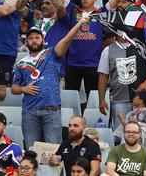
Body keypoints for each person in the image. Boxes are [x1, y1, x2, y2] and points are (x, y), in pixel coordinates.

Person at [12, 16, 90, 150]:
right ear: (26, 41)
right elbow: (13, 88)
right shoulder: (21, 62)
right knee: (32, 152)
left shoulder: (52, 54)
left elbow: (66, 39)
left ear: (43, 39)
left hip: (51, 110)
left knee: (53, 152)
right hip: (29, 112)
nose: (34, 40)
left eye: (37, 37)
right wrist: (24, 89)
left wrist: (80, 23)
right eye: (31, 38)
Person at [98, 26, 146, 128]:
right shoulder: (107, 50)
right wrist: (101, 100)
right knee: (122, 133)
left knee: (145, 130)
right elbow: (103, 76)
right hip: (118, 99)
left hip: (142, 99)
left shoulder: (144, 44)